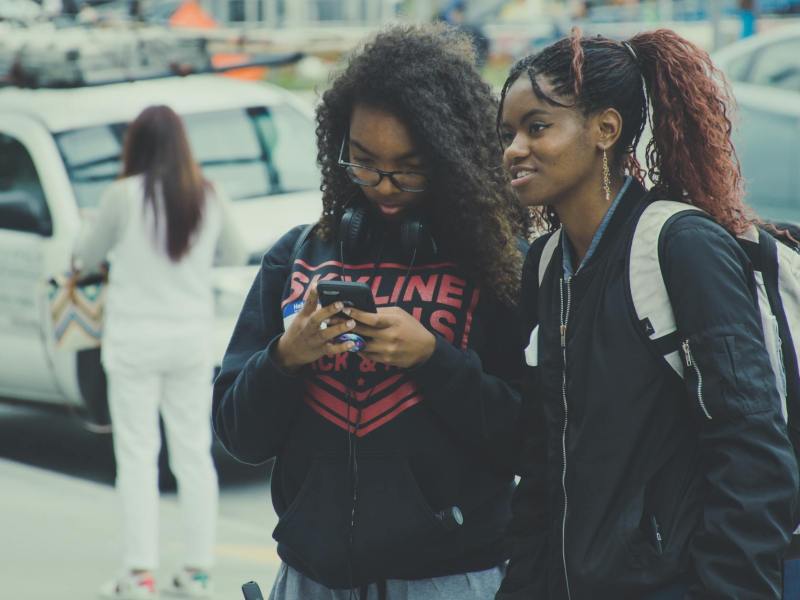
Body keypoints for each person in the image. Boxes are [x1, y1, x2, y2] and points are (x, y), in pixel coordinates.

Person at [213, 24, 527, 600]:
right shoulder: (296, 256)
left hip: (449, 578)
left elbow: (530, 439)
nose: (383, 185)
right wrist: (286, 356)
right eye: (363, 161)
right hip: (311, 578)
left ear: (451, 156)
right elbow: (239, 435)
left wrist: (432, 359)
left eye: (408, 166)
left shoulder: (501, 267)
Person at [495, 29, 799, 599]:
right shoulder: (545, 265)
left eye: (537, 127)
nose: (514, 148)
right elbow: (542, 465)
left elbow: (752, 451)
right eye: (507, 133)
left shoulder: (681, 246)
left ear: (606, 130)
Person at [73, 105, 247, 599]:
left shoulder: (122, 196)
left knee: (136, 455)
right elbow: (235, 253)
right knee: (193, 454)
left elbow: (87, 258)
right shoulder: (207, 194)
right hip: (190, 340)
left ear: (136, 145)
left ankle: (139, 574)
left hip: (133, 341)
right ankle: (197, 572)